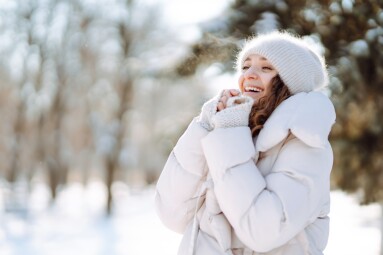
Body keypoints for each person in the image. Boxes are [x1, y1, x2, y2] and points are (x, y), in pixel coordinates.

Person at [154, 31, 336, 255]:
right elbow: (173, 214)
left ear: (290, 82)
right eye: (245, 66)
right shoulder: (235, 130)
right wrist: (205, 127)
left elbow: (263, 232)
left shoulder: (306, 142)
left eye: (266, 67)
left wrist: (230, 134)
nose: (249, 74)